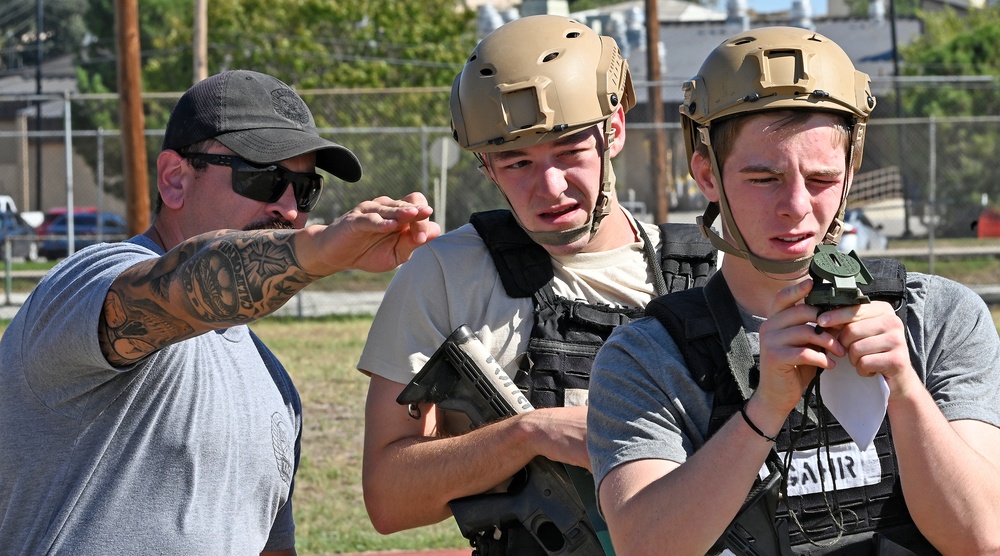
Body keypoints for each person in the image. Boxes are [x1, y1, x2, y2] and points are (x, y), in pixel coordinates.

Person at [587, 26, 1000, 555]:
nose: (798, 207)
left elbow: (982, 538)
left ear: (851, 171)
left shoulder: (938, 318)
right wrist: (765, 408)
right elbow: (647, 546)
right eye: (764, 179)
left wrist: (905, 389)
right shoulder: (646, 356)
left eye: (823, 179)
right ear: (707, 175)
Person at [0, 69, 439, 554]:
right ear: (174, 179)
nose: (290, 208)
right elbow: (183, 287)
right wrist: (320, 251)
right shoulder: (87, 284)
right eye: (264, 177)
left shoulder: (275, 386)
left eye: (305, 187)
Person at [358, 14, 715, 555]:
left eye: (569, 152)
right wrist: (532, 434)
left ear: (613, 130)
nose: (549, 187)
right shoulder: (443, 276)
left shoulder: (705, 272)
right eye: (517, 161)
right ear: (485, 165)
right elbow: (388, 499)